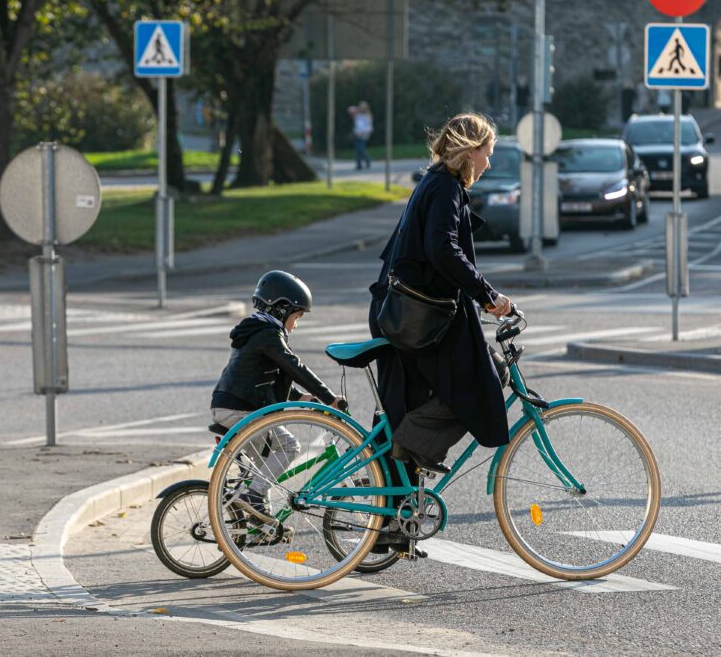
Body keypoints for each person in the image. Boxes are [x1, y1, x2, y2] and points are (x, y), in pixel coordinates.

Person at [368, 112, 513, 478]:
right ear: (469, 151)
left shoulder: (435, 182)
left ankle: (395, 514)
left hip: (407, 311)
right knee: (485, 377)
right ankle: (411, 443)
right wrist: (486, 294)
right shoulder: (445, 186)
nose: (488, 162)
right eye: (486, 152)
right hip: (413, 317)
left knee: (415, 397)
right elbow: (443, 249)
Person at [210, 270, 346, 514]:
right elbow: (295, 367)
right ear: (281, 309)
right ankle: (253, 497)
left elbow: (264, 376)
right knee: (287, 447)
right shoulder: (268, 335)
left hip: (229, 406)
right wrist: (329, 398)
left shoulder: (255, 331)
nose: (296, 324)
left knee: (265, 465)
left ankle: (256, 517)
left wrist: (301, 398)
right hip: (240, 409)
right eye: (297, 316)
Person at [347, 101, 373, 170]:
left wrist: (364, 132)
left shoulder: (367, 116)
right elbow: (350, 109)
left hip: (364, 135)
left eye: (363, 108)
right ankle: (359, 165)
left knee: (361, 149)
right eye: (360, 108)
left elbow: (369, 127)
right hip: (357, 134)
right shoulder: (357, 115)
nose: (361, 109)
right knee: (358, 150)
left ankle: (368, 160)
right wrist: (357, 109)